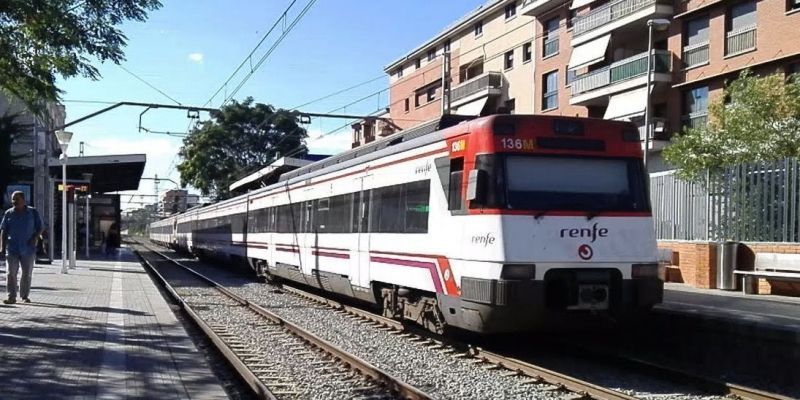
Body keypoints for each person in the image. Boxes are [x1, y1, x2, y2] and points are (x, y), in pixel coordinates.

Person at [0, 191, 44, 304]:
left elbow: (41, 227)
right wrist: (2, 247)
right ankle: (11, 296)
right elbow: (3, 231)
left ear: (23, 200)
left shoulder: (32, 212)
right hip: (12, 248)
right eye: (13, 199)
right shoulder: (8, 213)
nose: (14, 201)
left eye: (17, 199)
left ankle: (24, 296)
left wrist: (35, 237)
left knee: (26, 273)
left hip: (28, 248)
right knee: (11, 273)